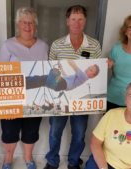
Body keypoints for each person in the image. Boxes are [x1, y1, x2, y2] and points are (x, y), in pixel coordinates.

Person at [44, 5, 102, 169]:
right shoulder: (57, 45)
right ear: (67, 21)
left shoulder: (94, 45)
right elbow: (52, 71)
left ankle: (73, 162)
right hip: (60, 97)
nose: (77, 23)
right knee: (55, 132)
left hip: (81, 101)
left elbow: (98, 72)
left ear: (85, 21)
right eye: (73, 19)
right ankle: (52, 161)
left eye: (81, 19)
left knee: (79, 134)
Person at [0, 7, 49, 169]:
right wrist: (5, 103)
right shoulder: (8, 45)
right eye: (24, 22)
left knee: (31, 130)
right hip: (11, 99)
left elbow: (48, 71)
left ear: (36, 25)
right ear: (18, 24)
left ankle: (28, 158)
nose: (28, 26)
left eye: (31, 23)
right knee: (9, 131)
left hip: (35, 98)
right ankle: (8, 159)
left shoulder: (43, 46)